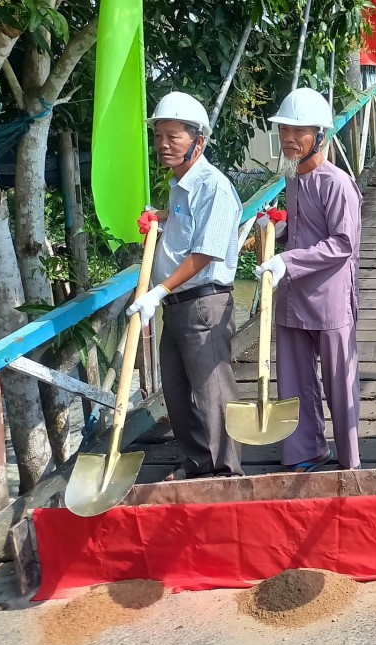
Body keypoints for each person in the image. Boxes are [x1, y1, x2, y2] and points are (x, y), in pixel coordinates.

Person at [127, 91, 243, 480]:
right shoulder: (180, 185)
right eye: (159, 135)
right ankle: (199, 463)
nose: (163, 144)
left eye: (173, 136)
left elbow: (205, 252)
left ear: (198, 141)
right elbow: (185, 228)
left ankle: (227, 474)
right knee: (177, 394)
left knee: (212, 393)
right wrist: (161, 217)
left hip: (203, 304)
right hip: (176, 306)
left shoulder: (213, 186)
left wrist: (158, 290)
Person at [255, 88, 362, 472]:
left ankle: (350, 461)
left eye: (298, 131)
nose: (289, 138)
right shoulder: (293, 179)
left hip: (329, 296)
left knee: (339, 382)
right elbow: (304, 231)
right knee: (294, 378)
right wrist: (276, 229)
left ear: (320, 135)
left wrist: (287, 260)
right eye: (284, 130)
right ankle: (306, 451)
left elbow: (343, 243)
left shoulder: (337, 183)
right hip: (293, 294)